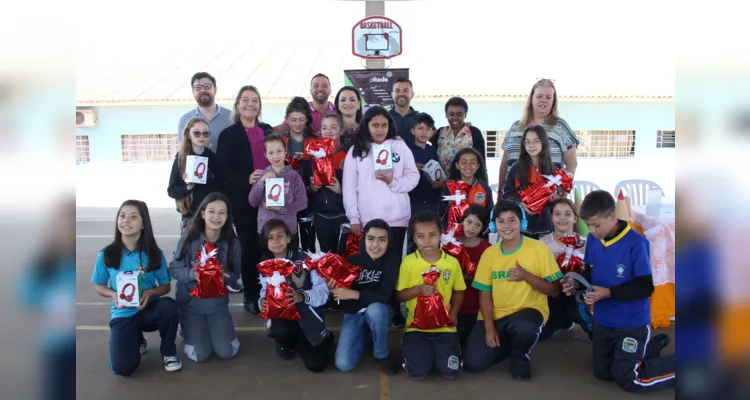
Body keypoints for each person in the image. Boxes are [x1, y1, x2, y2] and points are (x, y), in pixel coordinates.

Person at [563, 190, 675, 392]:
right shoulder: (593, 239)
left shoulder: (636, 242)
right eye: (588, 225)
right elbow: (589, 274)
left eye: (596, 225)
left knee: (628, 378)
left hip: (631, 324)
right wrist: (575, 282)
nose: (592, 230)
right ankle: (652, 346)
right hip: (604, 322)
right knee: (603, 373)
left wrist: (608, 293)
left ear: (612, 216)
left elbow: (645, 287)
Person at [463, 200, 561, 380]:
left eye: (512, 220)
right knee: (473, 364)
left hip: (527, 314)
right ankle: (510, 344)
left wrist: (526, 276)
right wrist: (490, 328)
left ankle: (521, 353)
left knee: (524, 327)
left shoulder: (538, 248)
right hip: (497, 316)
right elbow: (484, 294)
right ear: (494, 225)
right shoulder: (489, 254)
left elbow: (554, 290)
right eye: (501, 221)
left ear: (522, 223)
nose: (506, 226)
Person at [90, 200, 181, 375]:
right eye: (122, 216)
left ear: (143, 224)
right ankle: (136, 339)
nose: (126, 221)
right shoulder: (106, 254)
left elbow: (165, 286)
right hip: (123, 313)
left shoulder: (154, 254)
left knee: (169, 307)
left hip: (149, 310)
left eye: (133, 217)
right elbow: (99, 286)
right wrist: (113, 295)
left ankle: (168, 352)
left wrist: (150, 292)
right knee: (123, 368)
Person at [215, 85, 275, 314]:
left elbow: (279, 157)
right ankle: (251, 294)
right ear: (237, 105)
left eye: (255, 100)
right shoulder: (229, 134)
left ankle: (273, 290)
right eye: (245, 100)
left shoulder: (268, 130)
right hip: (244, 201)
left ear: (260, 106)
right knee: (250, 249)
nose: (250, 104)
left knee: (271, 246)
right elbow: (221, 169)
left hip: (271, 199)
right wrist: (245, 178)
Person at [168, 193, 241, 363]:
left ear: (228, 216)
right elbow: (173, 269)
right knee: (200, 355)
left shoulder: (233, 244)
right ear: (202, 213)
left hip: (217, 305)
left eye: (222, 213)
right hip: (191, 304)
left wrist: (225, 278)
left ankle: (217, 326)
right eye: (211, 211)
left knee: (227, 351)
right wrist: (191, 274)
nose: (216, 217)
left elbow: (236, 275)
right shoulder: (188, 239)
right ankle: (184, 325)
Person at [18, 197, 76, 400]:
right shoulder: (42, 265)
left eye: (71, 226)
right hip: (56, 346)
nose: (67, 232)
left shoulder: (77, 264)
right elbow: (29, 302)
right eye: (62, 226)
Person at [396, 211, 465, 380]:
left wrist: (454, 312)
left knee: (450, 374)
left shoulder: (451, 262)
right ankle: (415, 349)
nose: (427, 241)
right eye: (421, 236)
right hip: (416, 327)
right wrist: (419, 289)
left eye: (432, 235)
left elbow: (459, 290)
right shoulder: (408, 263)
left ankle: (438, 353)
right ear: (414, 238)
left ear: (441, 235)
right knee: (418, 374)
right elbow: (399, 295)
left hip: (445, 327)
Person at [342, 106, 420, 257]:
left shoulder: (399, 146)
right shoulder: (356, 150)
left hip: (397, 218)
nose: (380, 130)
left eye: (384, 125)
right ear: (366, 126)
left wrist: (393, 182)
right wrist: (354, 218)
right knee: (371, 263)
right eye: (375, 125)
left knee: (394, 261)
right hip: (368, 218)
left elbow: (413, 176)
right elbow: (349, 187)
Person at [258, 219, 334, 373]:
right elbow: (263, 292)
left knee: (316, 365)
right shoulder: (265, 265)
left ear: (288, 237)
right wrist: (262, 302)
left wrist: (301, 296)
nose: (276, 241)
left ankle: (324, 338)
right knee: (285, 350)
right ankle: (286, 340)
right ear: (265, 242)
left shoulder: (306, 260)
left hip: (308, 316)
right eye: (270, 238)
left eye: (280, 236)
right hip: (284, 319)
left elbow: (324, 292)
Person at [331, 219, 400, 374]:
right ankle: (367, 334)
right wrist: (334, 288)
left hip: (380, 311)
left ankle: (381, 353)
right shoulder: (352, 260)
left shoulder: (392, 260)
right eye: (370, 239)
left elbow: (383, 296)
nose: (375, 245)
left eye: (382, 240)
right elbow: (342, 300)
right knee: (343, 364)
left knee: (374, 310)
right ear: (364, 239)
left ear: (389, 241)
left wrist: (354, 294)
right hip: (355, 313)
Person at [498, 78, 579, 191]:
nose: (543, 100)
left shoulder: (560, 127)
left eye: (548, 97)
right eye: (539, 96)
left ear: (553, 101)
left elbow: (572, 163)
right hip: (514, 198)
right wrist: (500, 193)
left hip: (547, 198)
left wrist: (562, 194)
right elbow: (505, 163)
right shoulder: (515, 127)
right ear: (532, 98)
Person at [538, 198, 593, 342]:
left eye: (567, 214)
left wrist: (578, 279)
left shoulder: (585, 244)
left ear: (575, 218)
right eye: (557, 214)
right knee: (542, 335)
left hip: (576, 294)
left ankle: (593, 327)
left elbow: (592, 274)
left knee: (577, 311)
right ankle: (563, 320)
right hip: (552, 293)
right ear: (551, 217)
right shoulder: (542, 243)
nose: (562, 218)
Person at [167, 117, 225, 241]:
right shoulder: (181, 158)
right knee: (188, 254)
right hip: (190, 216)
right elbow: (171, 191)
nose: (201, 136)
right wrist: (187, 187)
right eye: (196, 133)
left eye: (205, 133)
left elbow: (223, 185)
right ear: (188, 134)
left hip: (211, 217)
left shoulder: (212, 158)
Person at [248, 134, 308, 249]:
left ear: (285, 151)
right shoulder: (262, 175)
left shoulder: (294, 176)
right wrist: (262, 181)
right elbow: (253, 201)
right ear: (265, 155)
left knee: (289, 263)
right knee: (268, 263)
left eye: (279, 151)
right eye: (271, 153)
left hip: (288, 229)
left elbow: (303, 202)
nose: (275, 156)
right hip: (266, 230)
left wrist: (283, 209)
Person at [502, 125, 561, 238]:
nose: (531, 145)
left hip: (547, 227)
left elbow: (558, 196)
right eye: (527, 142)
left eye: (536, 141)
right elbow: (507, 196)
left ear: (543, 143)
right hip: (522, 226)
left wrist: (554, 199)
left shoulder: (553, 169)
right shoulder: (516, 168)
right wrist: (519, 204)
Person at [281, 96, 317, 253]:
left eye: (301, 119)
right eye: (293, 119)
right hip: (286, 197)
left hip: (309, 195)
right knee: (289, 238)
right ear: (287, 119)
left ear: (307, 120)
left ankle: (309, 273)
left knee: (309, 240)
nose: (297, 124)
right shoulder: (281, 140)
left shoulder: (315, 141)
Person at [310, 114, 349, 253]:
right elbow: (306, 189)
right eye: (324, 127)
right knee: (326, 258)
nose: (329, 131)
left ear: (341, 130)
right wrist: (313, 189)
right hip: (321, 216)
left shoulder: (348, 154)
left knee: (343, 257)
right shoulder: (314, 154)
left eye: (333, 127)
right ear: (320, 130)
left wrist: (341, 191)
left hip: (342, 215)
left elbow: (359, 186)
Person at [455, 205, 492, 353]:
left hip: (477, 310)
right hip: (453, 308)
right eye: (469, 222)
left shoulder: (487, 249)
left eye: (478, 225)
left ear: (483, 228)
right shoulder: (450, 245)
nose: (472, 228)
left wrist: (469, 278)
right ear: (462, 221)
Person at [406, 112, 442, 253]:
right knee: (414, 237)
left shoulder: (434, 150)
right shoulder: (406, 149)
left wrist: (440, 183)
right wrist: (412, 168)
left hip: (433, 200)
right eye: (420, 128)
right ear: (413, 130)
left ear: (432, 132)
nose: (424, 132)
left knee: (431, 236)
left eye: (428, 128)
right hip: (413, 201)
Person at [428, 97, 486, 173]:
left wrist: (483, 183)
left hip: (466, 183)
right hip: (442, 183)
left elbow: (481, 162)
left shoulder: (474, 133)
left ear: (465, 115)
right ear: (446, 115)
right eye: (451, 114)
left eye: (459, 114)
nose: (455, 117)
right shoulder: (440, 132)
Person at [177, 72, 233, 151]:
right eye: (198, 87)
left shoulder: (232, 117)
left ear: (215, 90)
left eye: (207, 86)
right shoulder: (185, 120)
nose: (202, 90)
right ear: (193, 92)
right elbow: (182, 152)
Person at [441, 147, 493, 230]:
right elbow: (442, 213)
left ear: (478, 166)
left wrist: (483, 231)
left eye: (472, 163)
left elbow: (490, 214)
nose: (468, 166)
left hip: (478, 237)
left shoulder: (484, 188)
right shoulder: (449, 188)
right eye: (464, 162)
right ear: (457, 165)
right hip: (453, 237)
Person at [388, 78, 419, 144]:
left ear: (412, 94)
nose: (401, 94)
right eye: (397, 91)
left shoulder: (420, 118)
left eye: (405, 91)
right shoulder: (384, 117)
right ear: (392, 94)